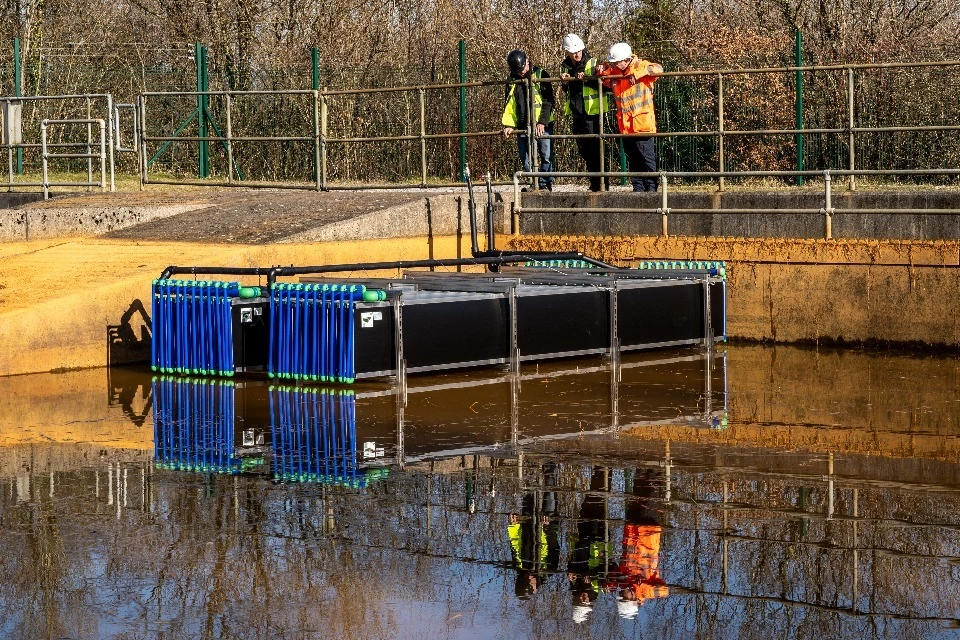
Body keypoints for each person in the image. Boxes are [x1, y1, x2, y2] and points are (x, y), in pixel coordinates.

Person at [596, 42, 663, 192]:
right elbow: (605, 77)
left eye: (616, 62)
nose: (614, 65)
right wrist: (601, 69)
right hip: (625, 127)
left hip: (642, 126)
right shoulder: (615, 72)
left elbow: (658, 68)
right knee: (633, 160)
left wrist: (638, 74)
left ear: (626, 60)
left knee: (646, 160)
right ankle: (638, 191)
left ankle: (652, 192)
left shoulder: (640, 65)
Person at [604, 468, 669, 618]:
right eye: (623, 596)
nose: (622, 593)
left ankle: (641, 465)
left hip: (631, 529)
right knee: (651, 490)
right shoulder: (646, 592)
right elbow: (665, 591)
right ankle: (656, 464)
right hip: (648, 531)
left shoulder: (623, 581)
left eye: (620, 595)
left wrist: (609, 583)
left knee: (638, 491)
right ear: (632, 598)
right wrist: (642, 588)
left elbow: (612, 570)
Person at [558, 34, 610, 192]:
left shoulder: (594, 63)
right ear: (567, 52)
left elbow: (606, 86)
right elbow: (568, 90)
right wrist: (565, 83)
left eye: (579, 51)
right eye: (573, 52)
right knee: (585, 151)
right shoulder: (565, 67)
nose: (577, 54)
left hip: (593, 114)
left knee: (597, 150)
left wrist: (588, 78)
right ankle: (594, 183)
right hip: (577, 113)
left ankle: (602, 184)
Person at [502, 49, 555, 191]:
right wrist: (509, 125)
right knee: (525, 155)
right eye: (518, 71)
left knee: (546, 154)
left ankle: (545, 183)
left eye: (523, 69)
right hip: (523, 124)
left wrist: (542, 122)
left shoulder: (541, 74)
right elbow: (510, 104)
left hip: (542, 123)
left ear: (527, 60)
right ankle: (533, 182)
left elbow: (548, 101)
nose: (522, 73)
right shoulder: (512, 80)